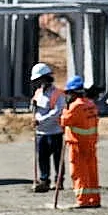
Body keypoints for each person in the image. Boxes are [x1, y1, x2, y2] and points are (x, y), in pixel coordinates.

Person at [59, 76, 101, 207]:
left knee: (79, 172)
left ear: (73, 92)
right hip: (90, 143)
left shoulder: (76, 106)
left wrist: (66, 107)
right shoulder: (90, 104)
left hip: (77, 144)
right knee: (91, 171)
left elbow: (63, 121)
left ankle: (82, 199)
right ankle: (94, 199)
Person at [29, 63, 63, 193]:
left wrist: (41, 120)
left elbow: (57, 112)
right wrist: (32, 107)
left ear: (46, 78)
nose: (38, 82)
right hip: (40, 132)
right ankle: (44, 180)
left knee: (57, 158)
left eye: (40, 79)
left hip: (55, 131)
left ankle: (58, 180)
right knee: (42, 157)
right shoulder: (38, 93)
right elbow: (34, 109)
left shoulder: (57, 94)